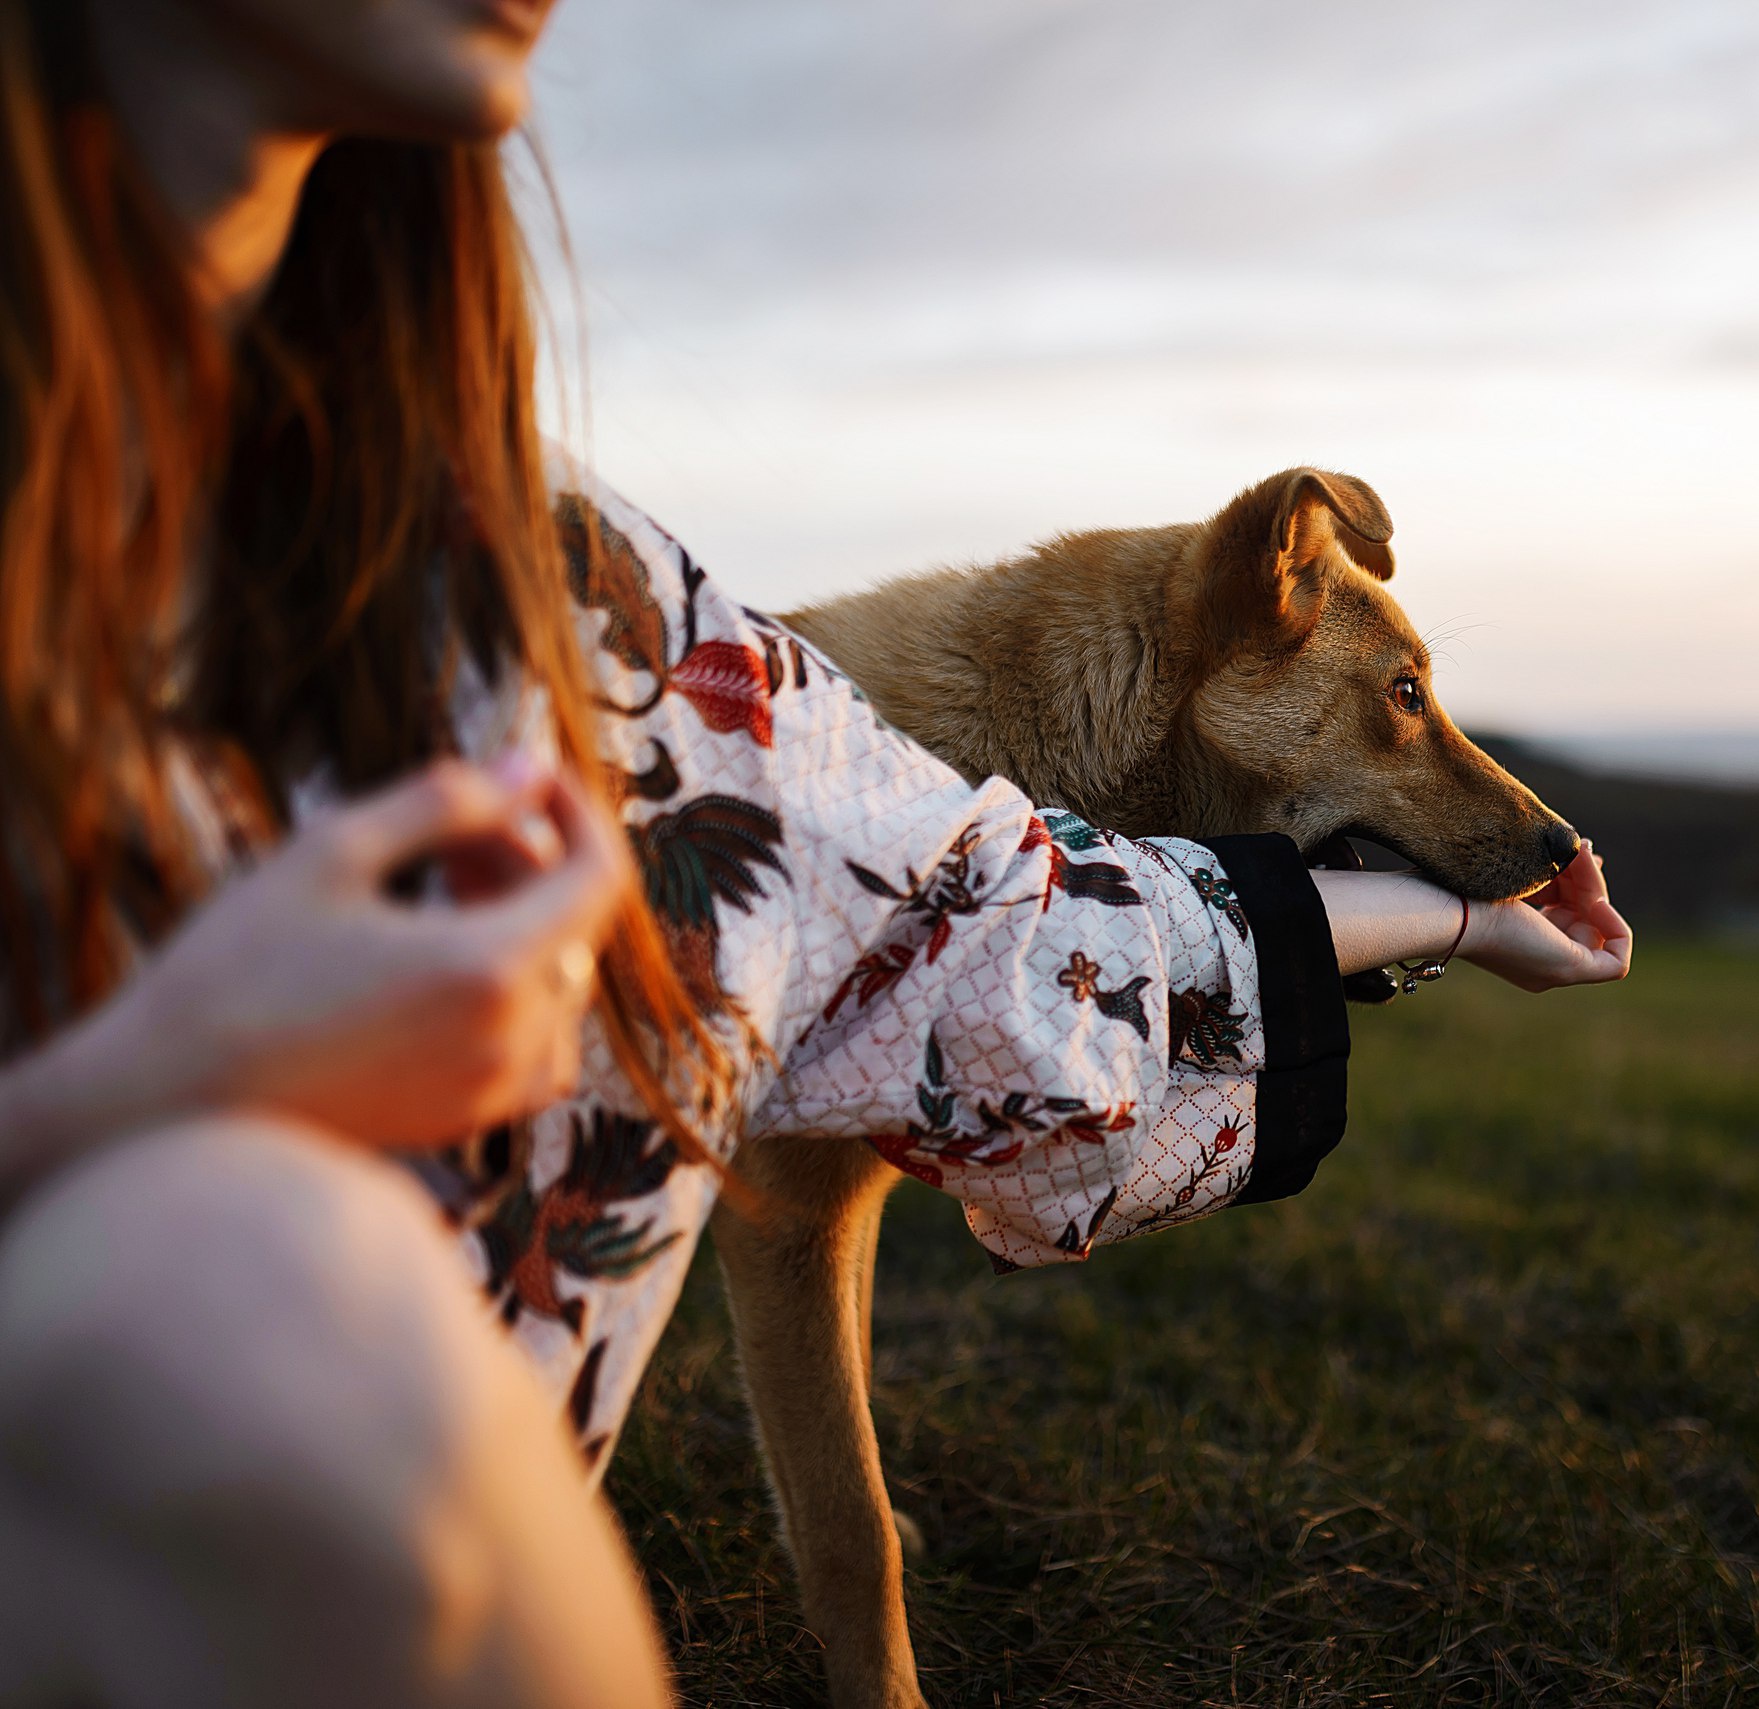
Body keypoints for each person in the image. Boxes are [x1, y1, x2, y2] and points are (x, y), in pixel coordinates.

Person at [0, 0, 1635, 1704]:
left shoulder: (588, 612)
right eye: (1402, 714)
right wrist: (114, 1108)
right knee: (196, 1281)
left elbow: (991, 929)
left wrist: (1441, 915)